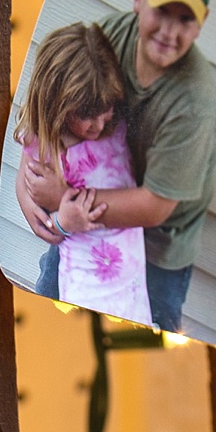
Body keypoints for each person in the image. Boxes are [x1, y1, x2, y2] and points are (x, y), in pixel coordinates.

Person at [18, 0, 216, 333]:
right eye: (161, 10)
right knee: (50, 306)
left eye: (185, 19)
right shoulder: (108, 39)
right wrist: (27, 191)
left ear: (201, 23)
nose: (168, 31)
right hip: (84, 212)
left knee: (138, 331)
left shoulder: (195, 101)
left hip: (158, 243)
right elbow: (47, 116)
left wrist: (63, 200)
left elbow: (155, 207)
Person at [14, 23, 151, 323]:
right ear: (57, 106)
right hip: (79, 275)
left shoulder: (115, 126)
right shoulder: (46, 147)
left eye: (107, 110)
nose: (99, 126)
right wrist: (60, 220)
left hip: (129, 269)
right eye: (86, 116)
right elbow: (52, 223)